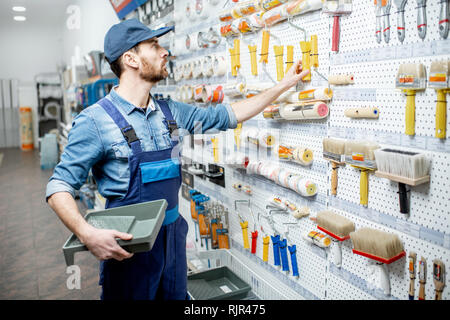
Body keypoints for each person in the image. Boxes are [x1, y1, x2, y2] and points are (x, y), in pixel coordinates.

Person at [46, 18, 309, 300]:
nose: (164, 52)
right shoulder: (95, 120)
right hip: (128, 249)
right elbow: (59, 186)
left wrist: (283, 86)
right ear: (130, 59)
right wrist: (86, 233)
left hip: (172, 242)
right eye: (154, 45)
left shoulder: (171, 112)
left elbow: (228, 114)